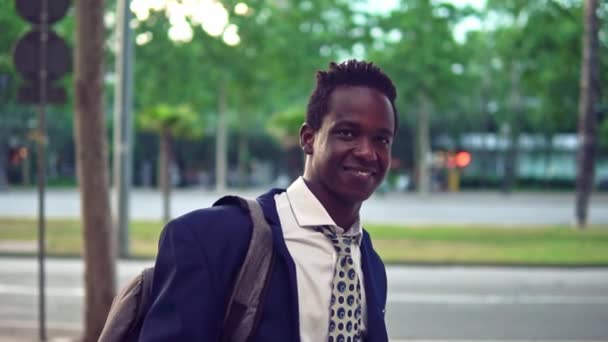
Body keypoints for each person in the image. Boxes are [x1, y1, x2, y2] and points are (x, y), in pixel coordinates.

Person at [139, 59, 398, 342]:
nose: (367, 152)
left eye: (381, 140)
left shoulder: (369, 263)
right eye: (348, 133)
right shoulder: (212, 239)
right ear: (308, 138)